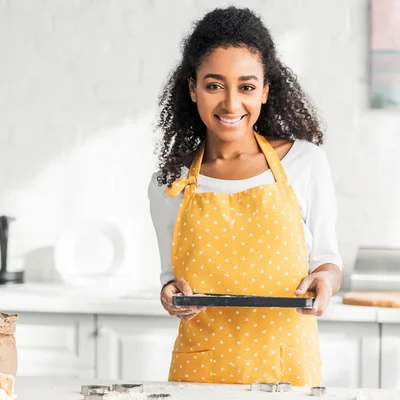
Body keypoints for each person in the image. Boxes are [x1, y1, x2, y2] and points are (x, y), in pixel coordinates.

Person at [147, 7, 343, 386]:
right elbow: (171, 281)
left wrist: (325, 282)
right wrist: (171, 294)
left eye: (247, 86)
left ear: (266, 90)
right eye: (214, 85)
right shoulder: (169, 183)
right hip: (199, 373)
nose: (231, 104)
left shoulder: (305, 163)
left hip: (287, 370)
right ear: (193, 88)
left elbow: (327, 262)